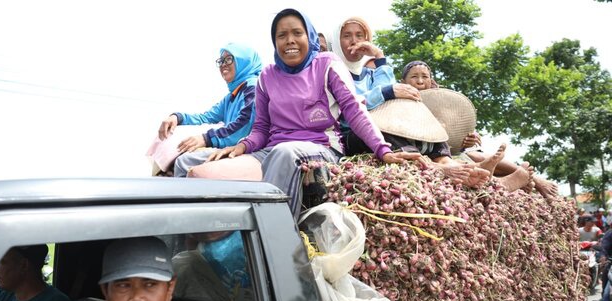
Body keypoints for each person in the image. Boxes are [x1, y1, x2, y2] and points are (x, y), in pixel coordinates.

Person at [204, 8, 423, 220]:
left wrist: (382, 150)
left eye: (297, 33)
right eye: (282, 35)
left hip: (322, 147)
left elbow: (354, 110)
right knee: (196, 164)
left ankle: (273, 239)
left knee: (285, 153)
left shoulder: (327, 64)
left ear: (309, 36)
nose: (289, 40)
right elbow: (261, 128)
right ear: (275, 42)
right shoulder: (267, 76)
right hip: (273, 149)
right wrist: (241, 146)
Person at [329, 16, 527, 190]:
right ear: (337, 40)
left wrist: (379, 57)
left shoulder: (370, 74)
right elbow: (351, 104)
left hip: (380, 125)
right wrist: (387, 91)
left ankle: (472, 173)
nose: (354, 41)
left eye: (360, 35)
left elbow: (386, 97)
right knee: (383, 129)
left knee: (428, 128)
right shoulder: (331, 70)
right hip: (352, 134)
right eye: (347, 36)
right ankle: (434, 167)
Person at [401, 60, 560, 198]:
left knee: (474, 155)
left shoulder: (441, 103)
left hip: (443, 151)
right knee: (458, 161)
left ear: (431, 80)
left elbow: (450, 141)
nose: (420, 81)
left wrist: (464, 141)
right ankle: (501, 182)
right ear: (403, 81)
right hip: (419, 151)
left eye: (425, 77)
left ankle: (531, 179)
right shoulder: (397, 104)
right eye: (414, 77)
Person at [156, 43, 262, 177]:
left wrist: (206, 139)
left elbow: (244, 125)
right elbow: (206, 117)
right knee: (176, 154)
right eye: (221, 61)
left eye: (229, 59)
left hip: (247, 150)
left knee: (184, 162)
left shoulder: (253, 87)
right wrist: (177, 117)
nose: (223, 64)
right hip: (232, 147)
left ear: (244, 61)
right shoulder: (233, 95)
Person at [595, 229, 612, 301]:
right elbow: (604, 247)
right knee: (606, 293)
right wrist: (603, 257)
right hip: (611, 264)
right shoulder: (610, 234)